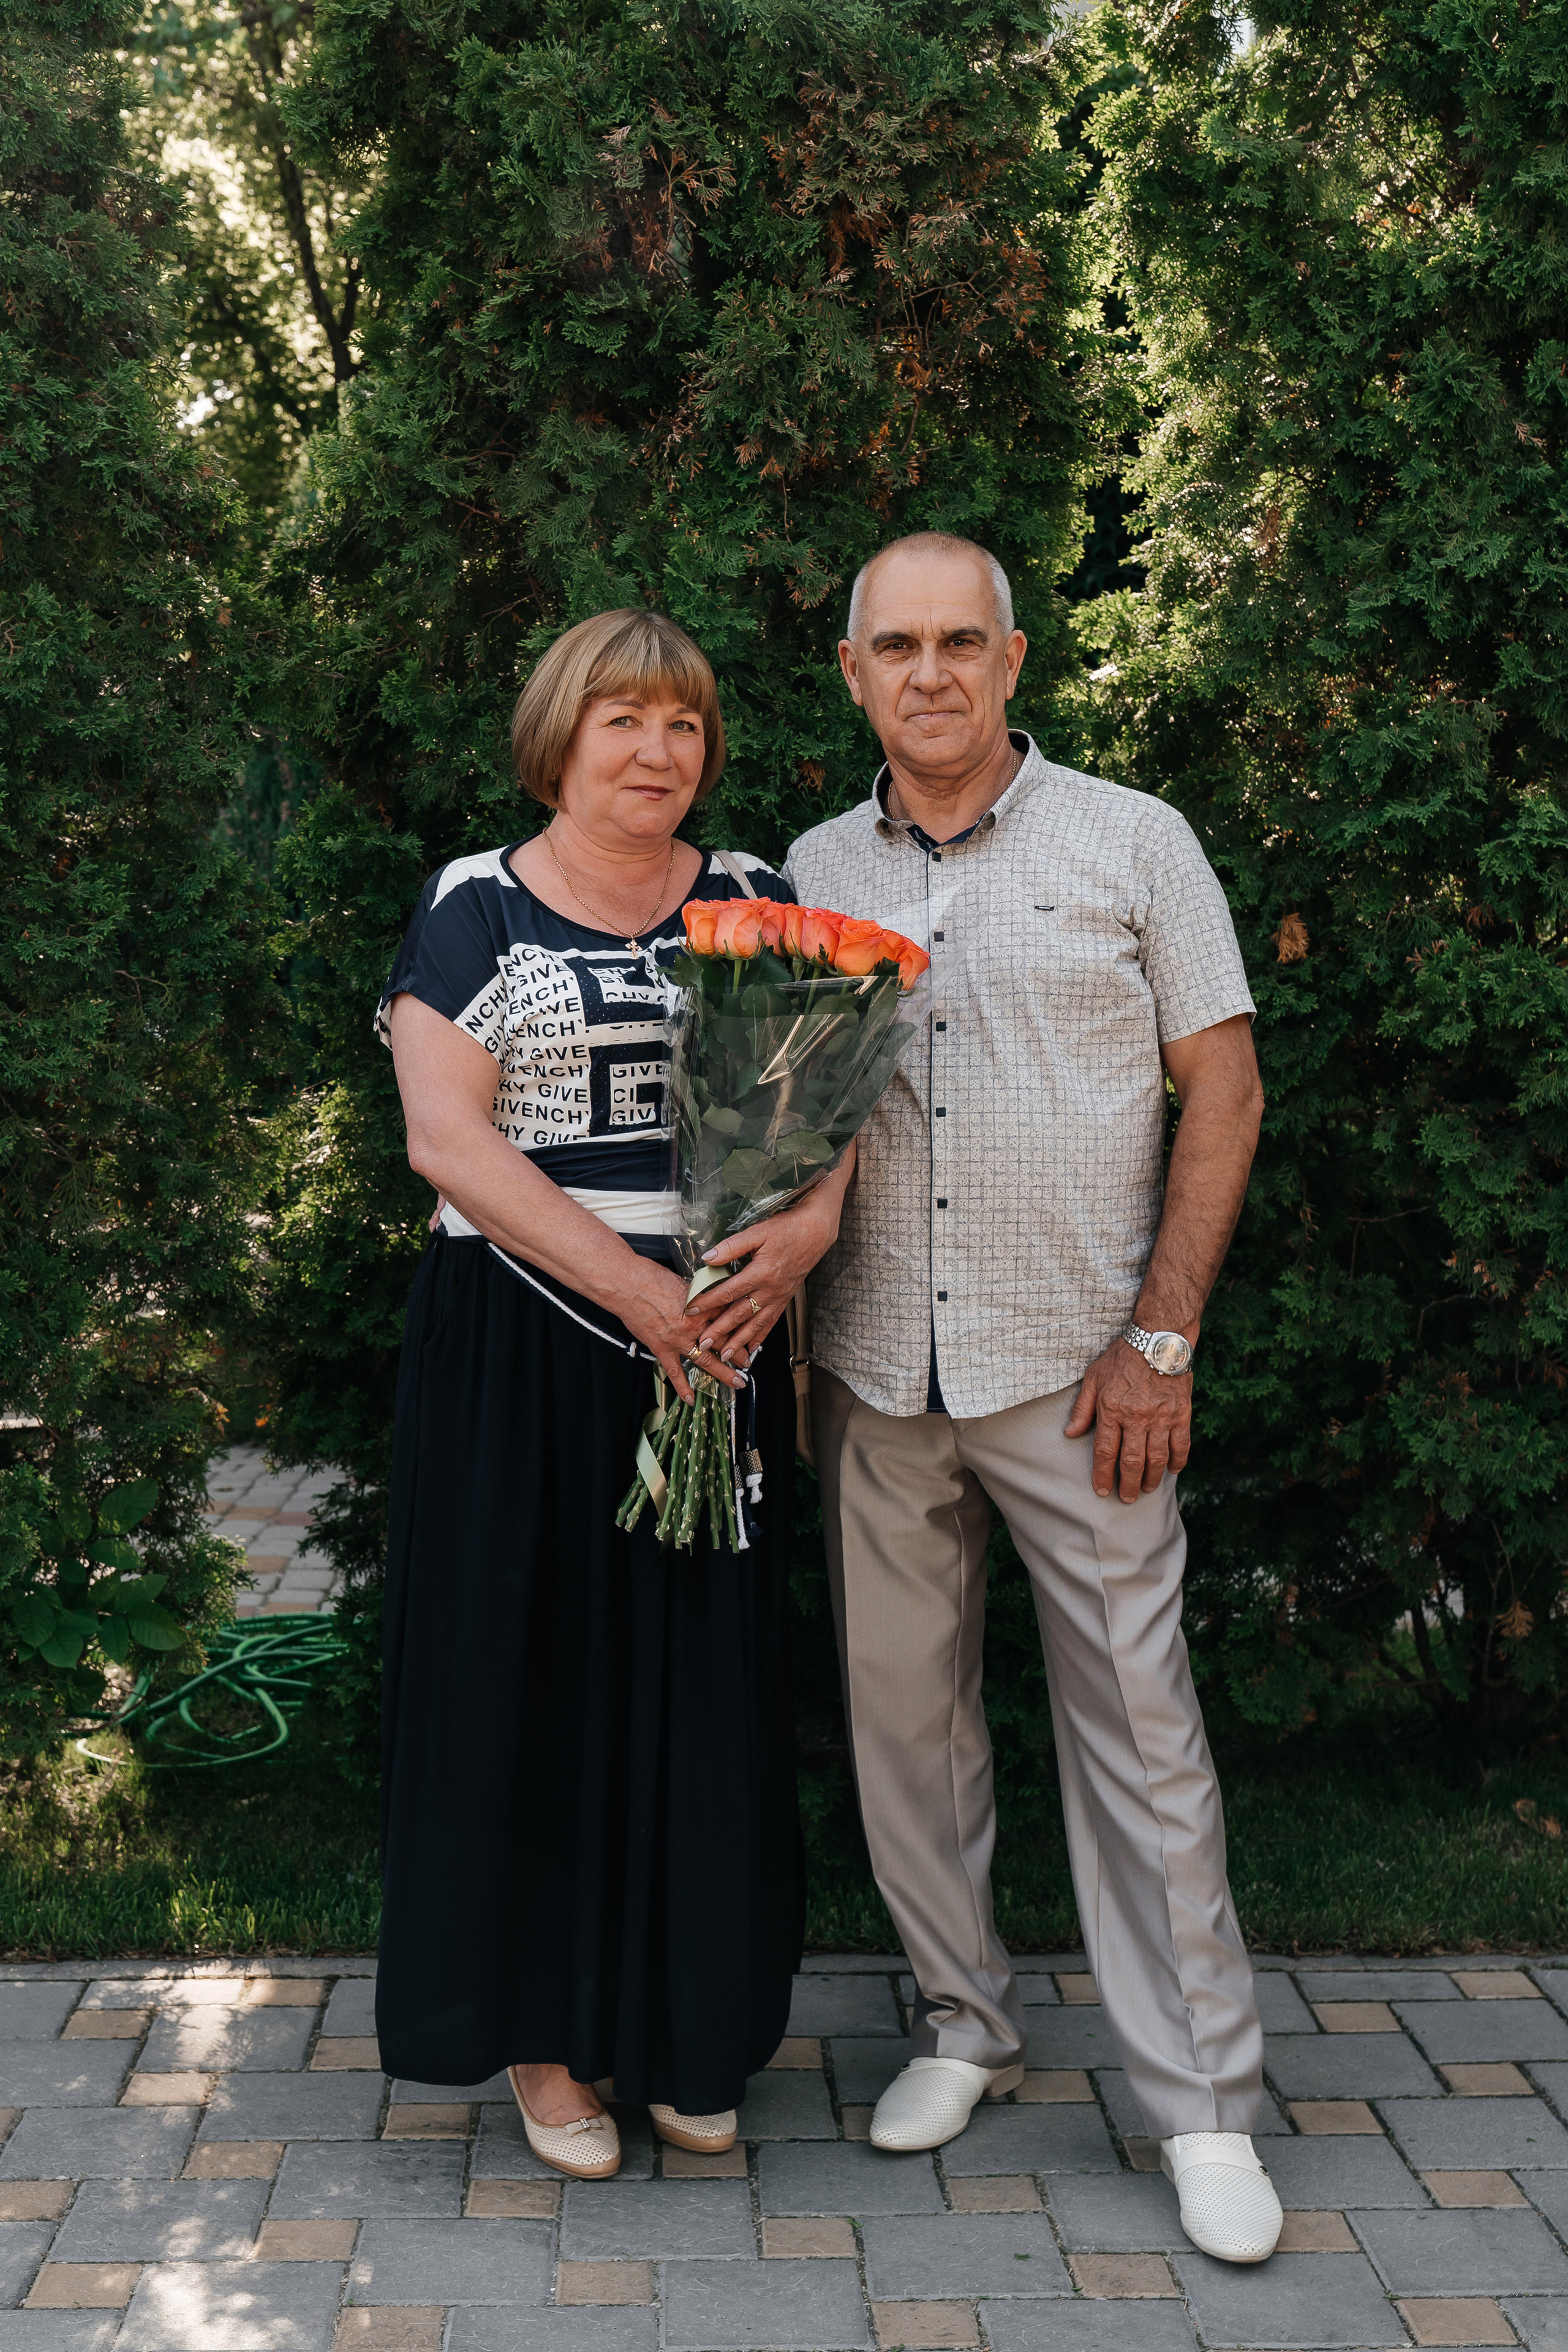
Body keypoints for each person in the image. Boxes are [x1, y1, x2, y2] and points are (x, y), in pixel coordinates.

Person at [785, 533, 1283, 2265]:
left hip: (1084, 1375)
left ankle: (1204, 2101)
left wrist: (1163, 1337)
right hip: (870, 1361)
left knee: (1142, 1739)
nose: (929, 673)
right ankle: (965, 2029)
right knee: (902, 1724)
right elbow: (784, 1122)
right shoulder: (809, 865)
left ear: (1013, 661)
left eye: (960, 643)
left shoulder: (1133, 839)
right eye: (894, 646)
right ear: (853, 672)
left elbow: (1223, 1092)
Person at [375, 608, 852, 2179]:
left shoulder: (758, 898)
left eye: (685, 726)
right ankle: (547, 2040)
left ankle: (688, 2030)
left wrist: (798, 1242)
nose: (659, 753)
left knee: (695, 1690)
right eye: (624, 722)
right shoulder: (472, 911)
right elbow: (448, 1143)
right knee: (531, 1682)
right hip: (525, 1349)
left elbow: (826, 1101)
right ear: (560, 735)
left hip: (708, 1357)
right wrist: (642, 1293)